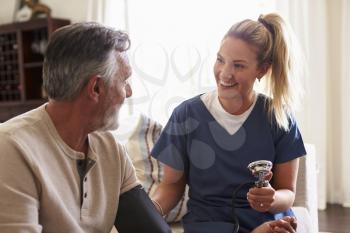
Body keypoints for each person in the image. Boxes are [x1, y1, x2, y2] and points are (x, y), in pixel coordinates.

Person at [0, 22, 171, 233]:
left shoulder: (111, 149)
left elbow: (150, 230)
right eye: (124, 80)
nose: (129, 92)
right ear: (96, 88)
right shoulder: (10, 148)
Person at [150, 13, 306, 233]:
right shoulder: (186, 115)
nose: (225, 73)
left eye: (239, 66)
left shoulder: (279, 117)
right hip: (209, 225)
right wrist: (148, 213)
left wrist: (271, 199)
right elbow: (171, 185)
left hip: (266, 224)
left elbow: (287, 193)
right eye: (220, 59)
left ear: (261, 69)